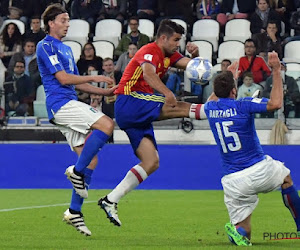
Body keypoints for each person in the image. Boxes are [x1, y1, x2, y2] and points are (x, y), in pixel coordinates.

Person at [98, 19, 206, 227]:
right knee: (179, 106)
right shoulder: (150, 50)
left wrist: (195, 55)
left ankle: (110, 200)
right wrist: (167, 93)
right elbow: (148, 73)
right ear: (163, 38)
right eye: (175, 40)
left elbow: (196, 71)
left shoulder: (170, 55)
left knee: (151, 162)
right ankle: (216, 111)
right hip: (130, 101)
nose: (178, 44)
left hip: (138, 111)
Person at [36, 3, 117, 237]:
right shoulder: (46, 46)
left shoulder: (67, 49)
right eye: (63, 20)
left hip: (69, 102)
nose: (67, 24)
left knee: (91, 162)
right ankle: (75, 172)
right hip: (60, 104)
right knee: (107, 125)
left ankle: (74, 212)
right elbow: (62, 79)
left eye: (68, 20)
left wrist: (104, 91)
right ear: (51, 23)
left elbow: (77, 83)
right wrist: (98, 75)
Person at [204, 51, 300, 246]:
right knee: (286, 178)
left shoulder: (210, 109)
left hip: (233, 181)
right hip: (258, 170)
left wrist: (229, 76)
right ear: (234, 91)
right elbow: (276, 103)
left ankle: (237, 232)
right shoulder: (243, 104)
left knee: (245, 233)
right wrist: (275, 70)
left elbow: (213, 99)